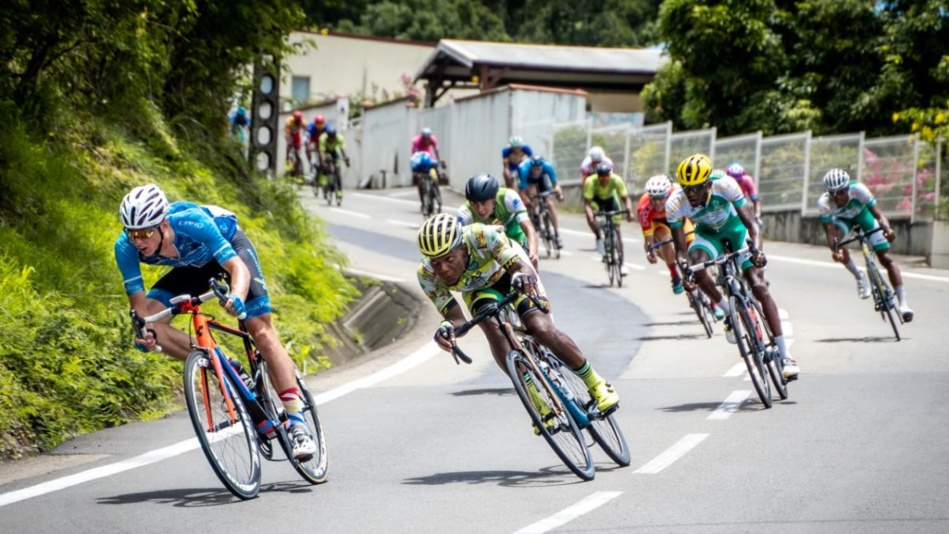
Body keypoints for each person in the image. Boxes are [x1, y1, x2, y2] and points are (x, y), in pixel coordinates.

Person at [114, 184, 317, 459]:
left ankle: (297, 424)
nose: (138, 241)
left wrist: (237, 297)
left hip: (230, 249)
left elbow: (236, 268)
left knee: (261, 332)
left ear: (163, 225)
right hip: (190, 268)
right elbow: (140, 312)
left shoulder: (191, 221)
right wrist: (144, 335)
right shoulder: (125, 248)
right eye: (132, 233)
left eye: (145, 233)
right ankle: (225, 367)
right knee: (153, 326)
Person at [417, 214, 620, 427]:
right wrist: (447, 328)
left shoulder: (481, 236)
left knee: (540, 328)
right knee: (490, 326)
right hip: (480, 291)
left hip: (511, 272)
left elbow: (522, 268)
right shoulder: (426, 275)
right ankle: (535, 399)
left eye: (449, 259)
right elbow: (456, 319)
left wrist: (523, 277)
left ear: (463, 248)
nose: (443, 269)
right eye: (435, 262)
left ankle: (597, 383)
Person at [666, 154, 799, 380]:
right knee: (697, 266)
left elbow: (753, 225)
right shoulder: (675, 203)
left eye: (696, 188)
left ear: (708, 185)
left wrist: (757, 252)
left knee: (758, 285)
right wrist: (686, 272)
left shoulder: (725, 185)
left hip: (735, 229)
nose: (690, 194)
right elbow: (680, 252)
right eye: (686, 189)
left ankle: (786, 356)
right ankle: (729, 311)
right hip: (707, 235)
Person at [818, 169, 914, 321]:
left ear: (847, 188)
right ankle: (859, 276)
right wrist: (836, 250)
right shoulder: (824, 203)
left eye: (841, 192)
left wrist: (888, 230)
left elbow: (878, 214)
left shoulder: (859, 189)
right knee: (838, 242)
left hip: (863, 216)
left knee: (887, 259)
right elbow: (829, 233)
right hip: (843, 221)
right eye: (832, 193)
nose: (837, 197)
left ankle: (903, 304)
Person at [457, 173, 539, 269]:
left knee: (529, 266)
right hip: (487, 240)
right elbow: (458, 244)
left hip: (514, 235)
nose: (480, 209)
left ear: (494, 199)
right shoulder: (465, 212)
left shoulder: (508, 197)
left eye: (483, 202)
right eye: (474, 203)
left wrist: (533, 253)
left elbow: (529, 229)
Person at [583, 162, 635, 277]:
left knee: (617, 230)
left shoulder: (616, 180)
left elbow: (626, 199)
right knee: (592, 218)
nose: (604, 180)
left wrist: (629, 211)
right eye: (601, 178)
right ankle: (599, 237)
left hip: (610, 200)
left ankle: (622, 264)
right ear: (597, 176)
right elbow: (587, 204)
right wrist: (591, 216)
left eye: (606, 178)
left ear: (610, 176)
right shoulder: (590, 182)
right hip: (596, 201)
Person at [517, 155, 564, 249]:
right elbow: (522, 192)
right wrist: (528, 201)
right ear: (531, 167)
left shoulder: (548, 166)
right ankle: (535, 215)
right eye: (534, 169)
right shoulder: (524, 170)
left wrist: (559, 194)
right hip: (529, 181)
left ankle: (557, 234)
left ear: (542, 167)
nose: (536, 171)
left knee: (550, 203)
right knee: (532, 196)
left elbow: (556, 184)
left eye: (538, 169)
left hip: (542, 179)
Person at [317, 124, 351, 200]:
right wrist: (323, 162)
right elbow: (322, 152)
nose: (331, 139)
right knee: (325, 163)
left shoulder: (340, 138)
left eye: (333, 137)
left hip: (334, 151)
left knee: (338, 170)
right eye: (330, 137)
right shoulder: (322, 138)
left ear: (335, 136)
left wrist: (346, 160)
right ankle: (325, 179)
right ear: (327, 136)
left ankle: (339, 190)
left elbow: (343, 150)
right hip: (325, 151)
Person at [284, 110, 307, 176]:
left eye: (299, 120)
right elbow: (287, 132)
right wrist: (289, 141)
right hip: (290, 133)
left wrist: (305, 140)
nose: (298, 122)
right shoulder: (289, 121)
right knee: (289, 146)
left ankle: (297, 165)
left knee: (297, 150)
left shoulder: (303, 122)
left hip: (296, 133)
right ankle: (287, 159)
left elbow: (306, 132)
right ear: (294, 118)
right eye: (296, 120)